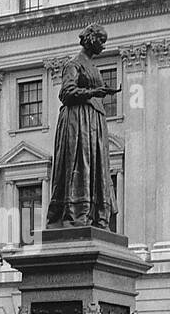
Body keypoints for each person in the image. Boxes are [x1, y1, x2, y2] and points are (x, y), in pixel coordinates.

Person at [46, 24, 119, 230]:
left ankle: (95, 214)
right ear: (90, 39)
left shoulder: (93, 66)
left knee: (96, 167)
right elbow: (66, 93)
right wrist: (94, 92)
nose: (103, 46)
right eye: (101, 41)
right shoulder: (74, 64)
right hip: (78, 122)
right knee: (80, 164)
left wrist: (98, 92)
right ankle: (76, 213)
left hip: (94, 122)